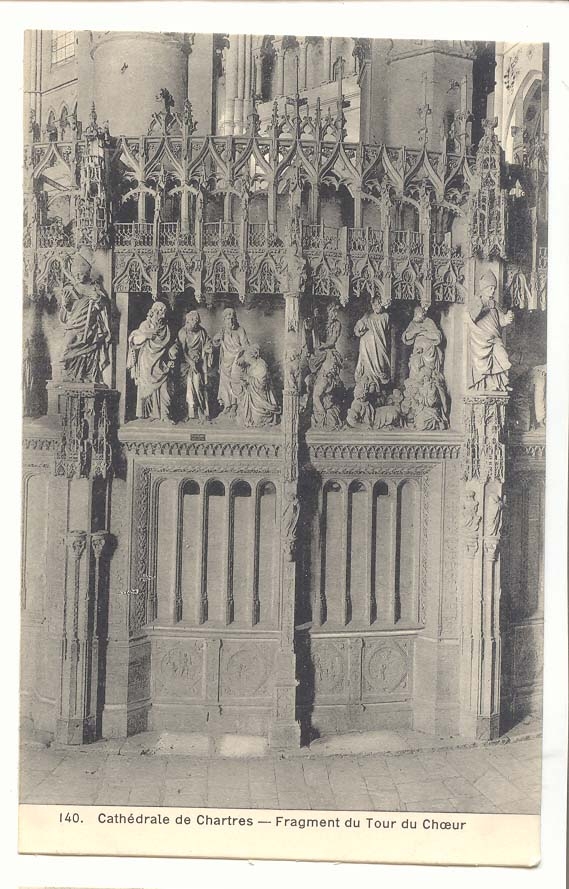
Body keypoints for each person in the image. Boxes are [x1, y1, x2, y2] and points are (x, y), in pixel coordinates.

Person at [59, 252, 111, 383]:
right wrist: (65, 304)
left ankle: (84, 375)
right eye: (76, 274)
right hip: (74, 324)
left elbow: (104, 307)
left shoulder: (94, 287)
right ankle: (70, 376)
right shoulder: (72, 288)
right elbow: (67, 312)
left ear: (87, 274)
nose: (78, 277)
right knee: (65, 350)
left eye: (81, 274)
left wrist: (98, 298)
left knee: (87, 353)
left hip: (89, 326)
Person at [127, 301, 177, 421]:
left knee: (164, 387)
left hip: (161, 361)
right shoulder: (145, 325)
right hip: (146, 360)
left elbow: (170, 344)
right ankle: (147, 415)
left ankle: (164, 415)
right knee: (146, 387)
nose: (163, 316)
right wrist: (147, 335)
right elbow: (134, 340)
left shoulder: (165, 328)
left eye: (164, 313)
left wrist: (173, 352)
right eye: (160, 313)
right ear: (154, 312)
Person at [402, 305, 449, 428]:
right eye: (417, 315)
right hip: (418, 353)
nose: (420, 317)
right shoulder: (413, 323)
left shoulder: (429, 322)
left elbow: (438, 337)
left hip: (430, 354)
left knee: (428, 373)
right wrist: (417, 331)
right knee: (415, 367)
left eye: (421, 314)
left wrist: (426, 333)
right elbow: (406, 337)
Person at [468, 270, 514, 392]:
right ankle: (487, 385)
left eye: (494, 288)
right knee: (485, 364)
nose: (493, 291)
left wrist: (507, 318)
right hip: (482, 340)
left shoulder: (495, 304)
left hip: (495, 338)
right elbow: (471, 317)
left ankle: (502, 383)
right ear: (483, 289)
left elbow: (501, 321)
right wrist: (486, 307)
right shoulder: (478, 301)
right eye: (490, 288)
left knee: (503, 357)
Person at [177, 310, 213, 421]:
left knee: (198, 385)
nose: (194, 323)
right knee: (189, 385)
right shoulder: (183, 332)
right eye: (191, 321)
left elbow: (207, 343)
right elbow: (182, 351)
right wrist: (190, 362)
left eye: (196, 321)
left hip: (199, 363)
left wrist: (208, 348)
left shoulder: (202, 331)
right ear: (187, 321)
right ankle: (190, 412)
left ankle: (200, 410)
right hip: (186, 363)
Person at [213, 307, 249, 415]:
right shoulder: (222, 331)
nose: (230, 321)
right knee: (225, 383)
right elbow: (216, 343)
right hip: (225, 361)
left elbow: (246, 346)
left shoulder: (240, 330)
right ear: (224, 320)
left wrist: (243, 358)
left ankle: (234, 405)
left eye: (232, 318)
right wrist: (215, 340)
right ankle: (227, 405)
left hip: (237, 360)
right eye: (228, 319)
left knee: (235, 382)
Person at [236, 345, 280, 428]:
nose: (244, 358)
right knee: (241, 414)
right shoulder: (250, 366)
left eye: (246, 356)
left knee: (257, 420)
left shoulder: (261, 365)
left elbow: (261, 383)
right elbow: (247, 381)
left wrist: (248, 378)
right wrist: (244, 382)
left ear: (252, 356)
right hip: (250, 396)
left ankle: (265, 416)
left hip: (260, 398)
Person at [353, 296, 391, 390]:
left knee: (381, 365)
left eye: (378, 304)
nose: (376, 306)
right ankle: (370, 385)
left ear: (382, 304)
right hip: (368, 345)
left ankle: (380, 388)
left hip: (380, 345)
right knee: (368, 366)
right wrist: (359, 332)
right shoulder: (367, 316)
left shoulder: (385, 316)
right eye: (374, 304)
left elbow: (386, 330)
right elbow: (357, 328)